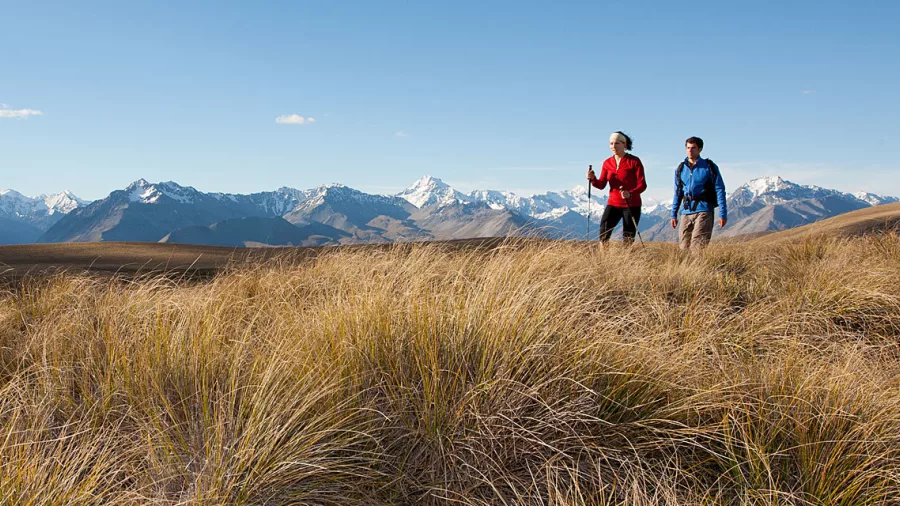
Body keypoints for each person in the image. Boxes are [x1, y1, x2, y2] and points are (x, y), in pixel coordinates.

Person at [586, 132, 647, 245]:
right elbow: (601, 185)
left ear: (624, 144)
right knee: (604, 232)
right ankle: (603, 258)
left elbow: (642, 184)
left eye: (617, 143)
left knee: (628, 237)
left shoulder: (634, 161)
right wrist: (593, 178)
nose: (613, 146)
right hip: (613, 203)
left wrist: (631, 193)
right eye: (611, 143)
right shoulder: (607, 163)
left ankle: (626, 259)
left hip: (632, 204)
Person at [670, 136, 727, 251]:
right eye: (688, 148)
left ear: (700, 149)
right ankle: (685, 269)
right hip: (686, 211)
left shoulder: (709, 167)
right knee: (683, 247)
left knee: (697, 247)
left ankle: (698, 268)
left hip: (704, 210)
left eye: (693, 148)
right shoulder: (680, 169)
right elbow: (678, 192)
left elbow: (720, 189)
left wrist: (723, 213)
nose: (690, 150)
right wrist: (673, 214)